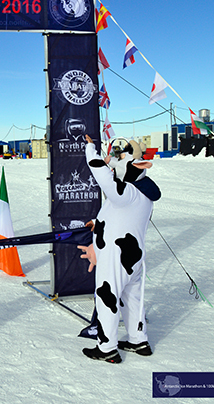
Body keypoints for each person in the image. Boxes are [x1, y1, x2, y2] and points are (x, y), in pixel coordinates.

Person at [78, 135, 160, 363]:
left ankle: (107, 348)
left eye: (119, 158)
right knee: (131, 298)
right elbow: (120, 216)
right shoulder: (141, 195)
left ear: (136, 166)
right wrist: (98, 225)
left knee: (107, 297)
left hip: (116, 256)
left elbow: (102, 176)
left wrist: (91, 149)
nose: (113, 164)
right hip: (132, 257)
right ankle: (138, 340)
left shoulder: (128, 192)